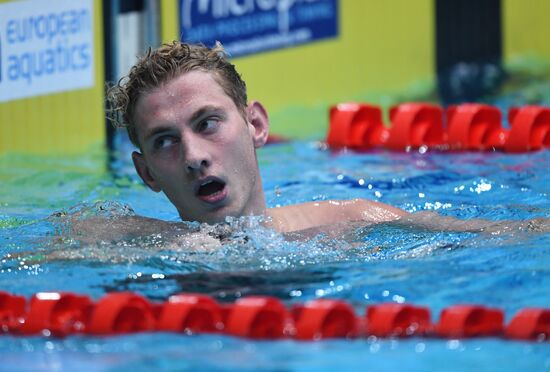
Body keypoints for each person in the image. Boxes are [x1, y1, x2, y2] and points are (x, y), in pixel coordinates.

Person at [101, 41, 546, 242]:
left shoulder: (350, 220)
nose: (195, 156)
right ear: (145, 174)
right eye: (165, 141)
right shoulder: (131, 245)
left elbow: (504, 235)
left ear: (256, 125)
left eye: (208, 123)